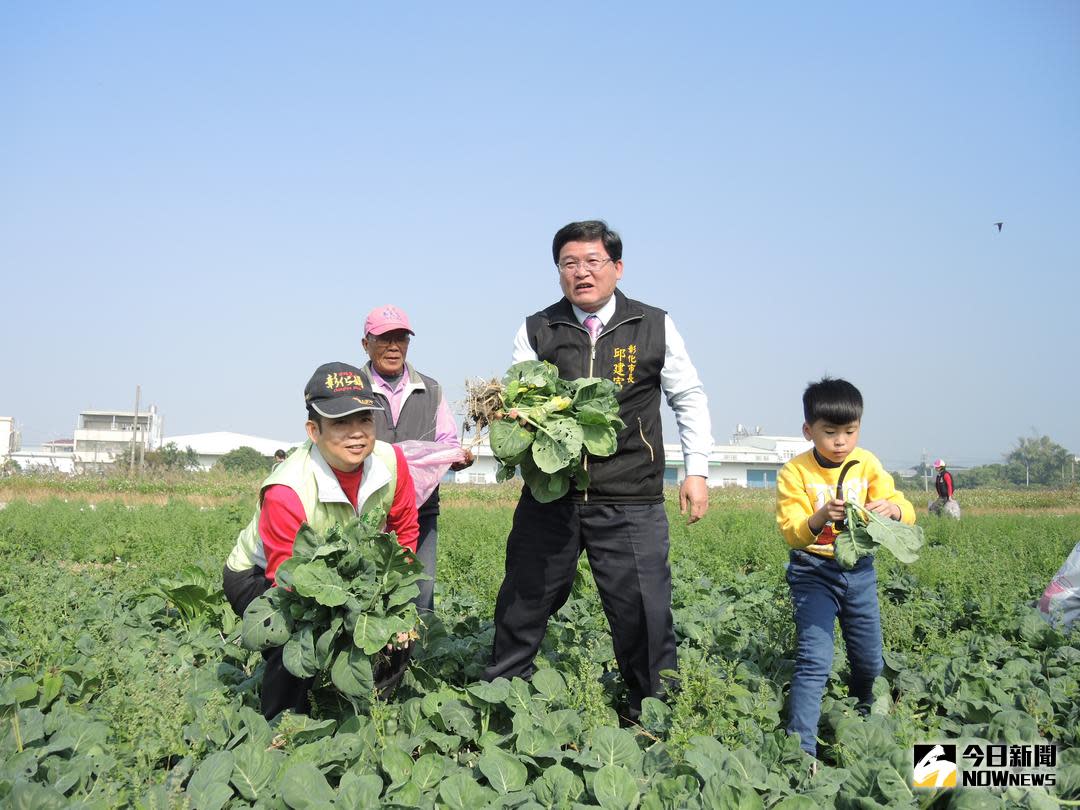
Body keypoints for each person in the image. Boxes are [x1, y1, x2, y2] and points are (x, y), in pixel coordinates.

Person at [483, 219, 714, 721]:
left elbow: (687, 397)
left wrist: (696, 470)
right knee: (523, 601)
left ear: (617, 268)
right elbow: (518, 398)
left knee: (644, 612)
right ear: (558, 272)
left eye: (592, 262)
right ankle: (500, 707)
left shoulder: (653, 324)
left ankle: (653, 714)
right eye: (569, 264)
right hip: (552, 496)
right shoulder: (536, 329)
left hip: (630, 494)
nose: (581, 273)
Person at [222, 362, 420, 719]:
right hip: (262, 575)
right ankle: (282, 726)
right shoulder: (287, 489)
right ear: (314, 431)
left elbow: (404, 531)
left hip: (343, 574)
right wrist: (352, 610)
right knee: (293, 639)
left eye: (364, 419)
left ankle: (374, 713)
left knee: (397, 629)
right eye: (340, 423)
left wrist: (387, 603)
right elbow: (289, 577)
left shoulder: (392, 462)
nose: (356, 433)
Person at [775, 377, 915, 762]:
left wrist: (894, 510)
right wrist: (819, 516)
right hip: (812, 572)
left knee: (869, 660)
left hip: (859, 573)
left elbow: (901, 504)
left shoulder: (866, 463)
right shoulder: (794, 473)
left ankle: (861, 717)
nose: (841, 442)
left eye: (849, 432)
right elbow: (792, 532)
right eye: (830, 432)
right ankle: (800, 750)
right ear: (809, 431)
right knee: (814, 659)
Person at [358, 304, 473, 616]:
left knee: (419, 594)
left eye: (401, 338)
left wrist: (456, 457)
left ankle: (418, 662)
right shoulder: (353, 389)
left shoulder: (430, 389)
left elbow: (447, 441)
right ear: (366, 343)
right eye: (384, 338)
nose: (394, 346)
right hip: (364, 512)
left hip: (421, 510)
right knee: (363, 593)